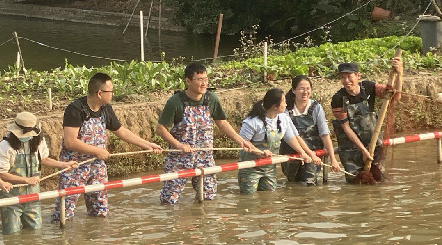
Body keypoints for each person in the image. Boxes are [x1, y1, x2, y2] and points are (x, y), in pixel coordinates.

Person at [51, 72, 162, 222]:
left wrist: (147, 144)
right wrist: (97, 151)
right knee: (64, 213)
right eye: (111, 91)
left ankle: (98, 239)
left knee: (100, 210)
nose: (113, 94)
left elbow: (121, 131)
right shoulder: (75, 109)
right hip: (73, 166)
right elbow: (70, 142)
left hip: (97, 166)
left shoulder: (106, 109)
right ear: (99, 93)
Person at [155, 62, 260, 204]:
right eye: (199, 80)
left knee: (208, 197)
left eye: (206, 79)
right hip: (179, 158)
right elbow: (160, 128)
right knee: (169, 199)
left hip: (204, 157)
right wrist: (178, 145)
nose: (204, 83)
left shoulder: (212, 99)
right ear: (188, 81)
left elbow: (222, 122)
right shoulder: (175, 102)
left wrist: (241, 141)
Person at [0, 112, 77, 234]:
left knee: (36, 234)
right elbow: (2, 173)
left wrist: (63, 164)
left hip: (33, 198)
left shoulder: (38, 141)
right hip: (12, 200)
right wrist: (26, 180)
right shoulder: (5, 146)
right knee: (12, 236)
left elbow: (43, 159)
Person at [331, 58, 402, 182]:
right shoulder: (338, 98)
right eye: (342, 77)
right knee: (355, 182)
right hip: (351, 149)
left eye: (349, 76)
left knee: (378, 180)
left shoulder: (369, 87)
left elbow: (395, 95)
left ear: (358, 75)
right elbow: (346, 128)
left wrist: (399, 73)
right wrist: (363, 151)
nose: (346, 81)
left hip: (373, 145)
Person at [238, 88, 312, 194]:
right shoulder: (252, 122)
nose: (286, 104)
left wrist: (302, 153)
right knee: (250, 199)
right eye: (284, 102)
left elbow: (290, 137)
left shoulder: (283, 118)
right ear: (275, 106)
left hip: (269, 167)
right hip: (250, 167)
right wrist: (259, 152)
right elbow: (243, 142)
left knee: (269, 198)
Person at [280, 75, 341, 185]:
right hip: (291, 152)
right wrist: (303, 152)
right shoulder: (285, 109)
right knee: (293, 183)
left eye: (308, 89)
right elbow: (291, 136)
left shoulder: (316, 108)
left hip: (313, 152)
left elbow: (324, 134)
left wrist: (333, 158)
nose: (305, 92)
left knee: (309, 183)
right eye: (301, 89)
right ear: (293, 90)